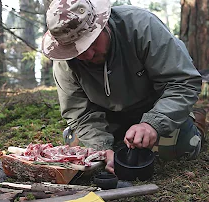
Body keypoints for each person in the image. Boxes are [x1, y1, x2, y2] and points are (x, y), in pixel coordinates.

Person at [41, 0, 204, 174]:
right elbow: (80, 114)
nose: (87, 54)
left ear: (103, 23)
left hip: (155, 106)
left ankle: (197, 121)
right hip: (107, 117)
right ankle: (118, 143)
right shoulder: (65, 61)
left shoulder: (142, 26)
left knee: (182, 146)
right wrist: (102, 149)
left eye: (92, 42)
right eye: (76, 51)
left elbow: (182, 82)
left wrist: (153, 124)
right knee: (77, 149)